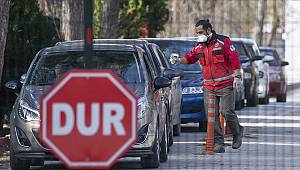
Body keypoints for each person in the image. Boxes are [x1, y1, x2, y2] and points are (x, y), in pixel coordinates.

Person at [170, 19, 244, 153]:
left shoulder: (223, 42)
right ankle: (218, 143)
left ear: (209, 30)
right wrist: (178, 60)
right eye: (197, 33)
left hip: (225, 84)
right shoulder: (199, 46)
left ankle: (237, 132)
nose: (199, 35)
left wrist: (237, 76)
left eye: (201, 32)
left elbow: (234, 58)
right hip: (209, 86)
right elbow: (190, 58)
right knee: (211, 116)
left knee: (226, 112)